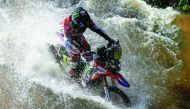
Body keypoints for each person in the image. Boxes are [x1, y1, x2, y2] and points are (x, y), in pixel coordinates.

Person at [58, 7, 114, 81]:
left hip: (77, 35)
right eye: (82, 23)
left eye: (86, 21)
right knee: (76, 54)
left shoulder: (86, 20)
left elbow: (97, 29)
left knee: (87, 48)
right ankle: (73, 75)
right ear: (76, 22)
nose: (85, 24)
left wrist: (109, 39)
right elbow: (67, 43)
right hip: (65, 36)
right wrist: (79, 51)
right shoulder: (67, 25)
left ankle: (84, 69)